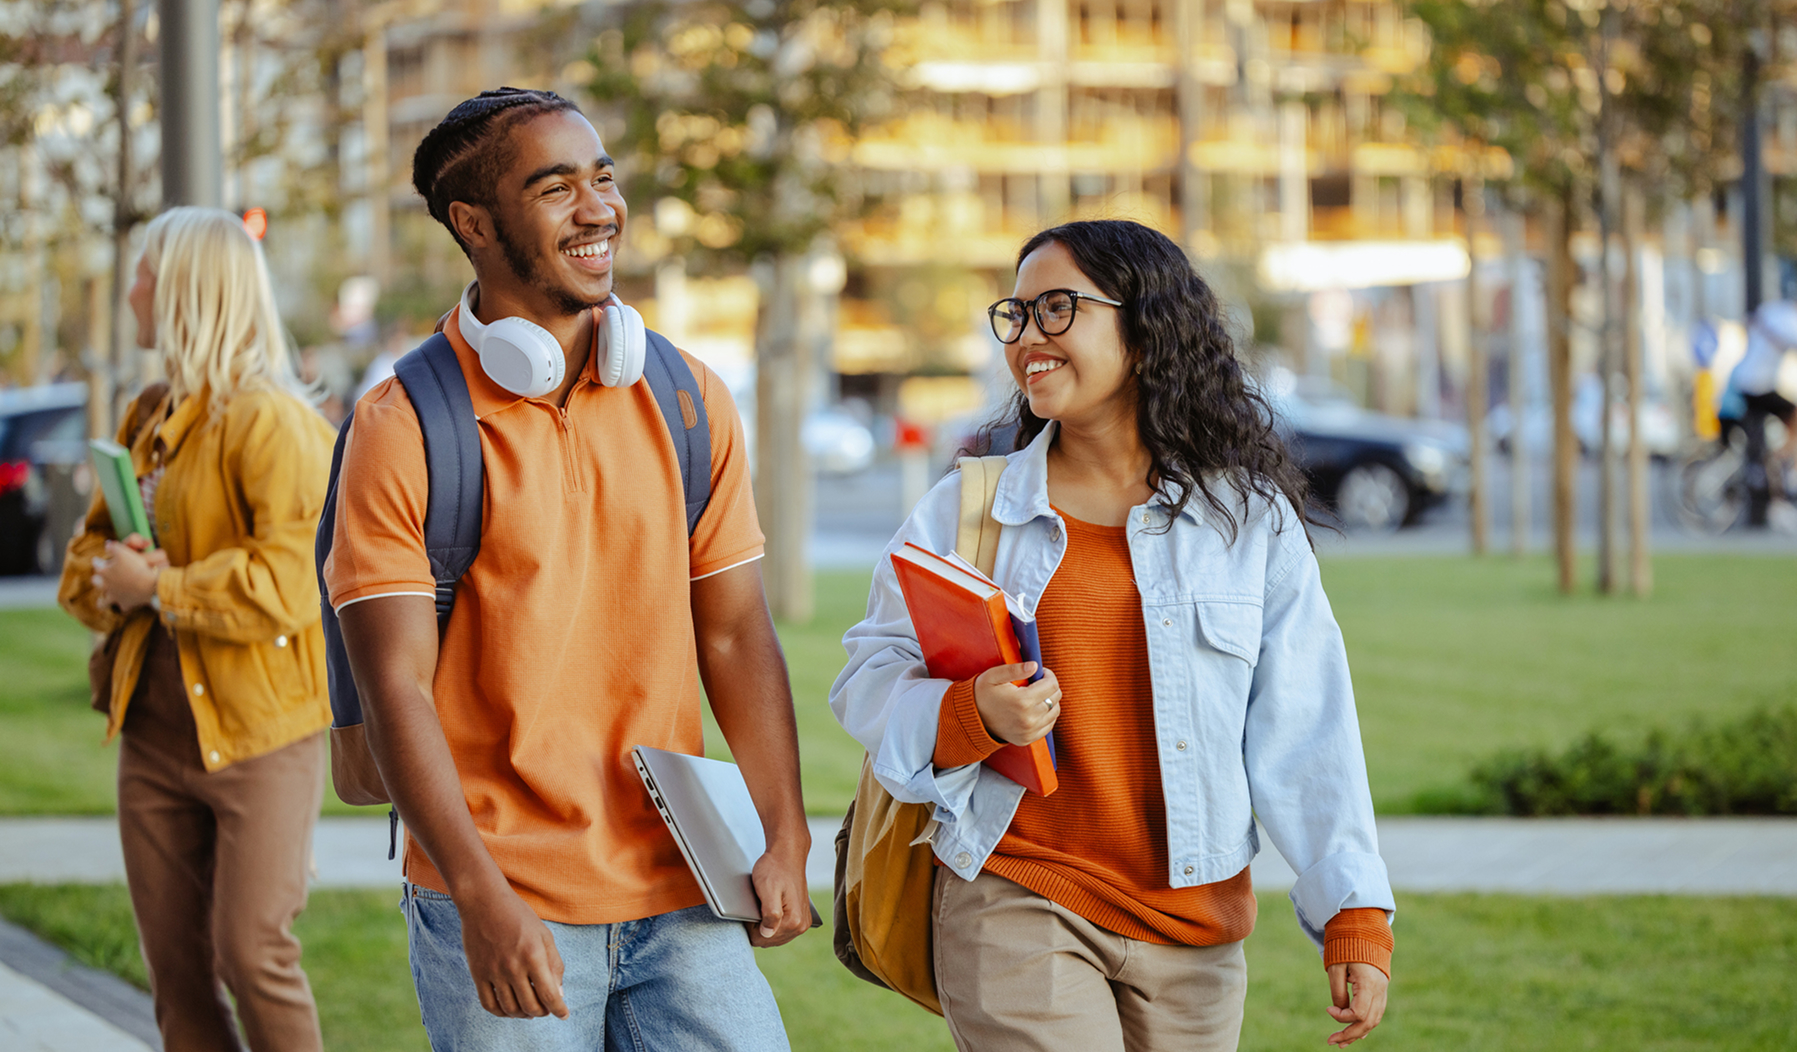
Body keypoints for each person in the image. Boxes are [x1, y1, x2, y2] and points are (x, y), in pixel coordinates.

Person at [831, 220, 1395, 1051]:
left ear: (1145, 326)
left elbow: (1306, 722)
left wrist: (1353, 910)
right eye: (1015, 316)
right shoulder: (966, 511)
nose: (1028, 338)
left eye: (1056, 309)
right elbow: (867, 678)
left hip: (1196, 928)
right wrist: (969, 714)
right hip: (1015, 891)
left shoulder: (1246, 521)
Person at [324, 88, 810, 1050]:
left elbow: (734, 630)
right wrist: (475, 894)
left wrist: (783, 830)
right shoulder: (403, 426)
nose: (598, 209)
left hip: (685, 880)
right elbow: (395, 688)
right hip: (505, 887)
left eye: (602, 177)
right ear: (474, 223)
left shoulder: (682, 395)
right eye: (555, 188)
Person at [58, 206, 337, 1052]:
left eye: (144, 271)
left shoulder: (272, 422)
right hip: (152, 734)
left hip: (260, 738)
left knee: (252, 954)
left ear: (183, 289)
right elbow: (85, 562)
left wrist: (161, 586)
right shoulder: (149, 417)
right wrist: (119, 581)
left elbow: (292, 581)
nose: (132, 287)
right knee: (177, 977)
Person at [1732, 299, 1797, 523]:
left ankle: (1767, 462)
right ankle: (1782, 456)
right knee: (1793, 412)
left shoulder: (1772, 310)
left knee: (1759, 439)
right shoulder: (1790, 321)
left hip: (1744, 380)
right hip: (1758, 385)